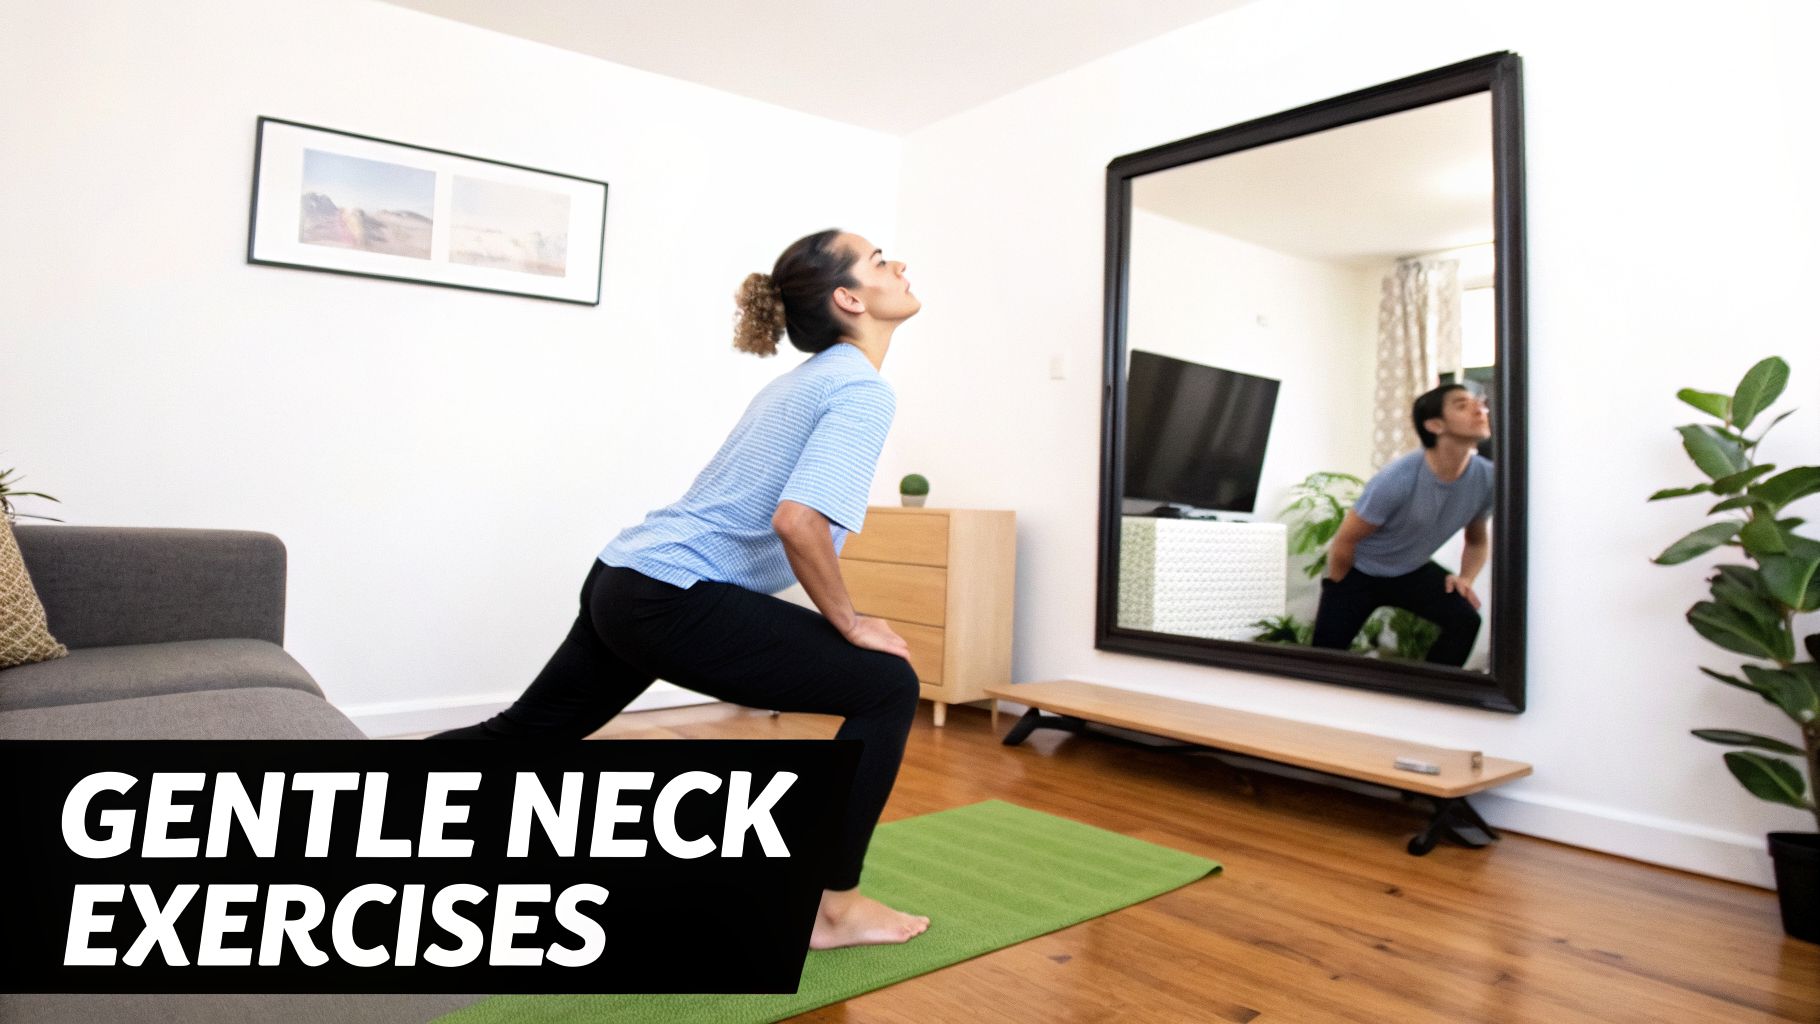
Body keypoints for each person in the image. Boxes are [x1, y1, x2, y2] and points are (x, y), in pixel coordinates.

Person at [431, 228, 930, 949]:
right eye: (881, 261)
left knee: (524, 734)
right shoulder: (857, 390)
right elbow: (798, 523)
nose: (900, 264)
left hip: (625, 577)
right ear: (850, 298)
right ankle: (835, 908)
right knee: (887, 685)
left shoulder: (808, 379)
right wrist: (850, 622)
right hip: (668, 595)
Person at [1310, 383, 1493, 666]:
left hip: (1410, 570)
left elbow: (1477, 540)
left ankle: (1431, 695)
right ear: (1434, 425)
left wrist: (1466, 578)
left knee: (1465, 620)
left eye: (1479, 403)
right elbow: (1346, 540)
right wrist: (1338, 589)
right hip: (1360, 571)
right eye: (1461, 404)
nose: (1480, 409)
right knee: (1323, 659)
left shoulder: (1487, 478)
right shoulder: (1398, 478)